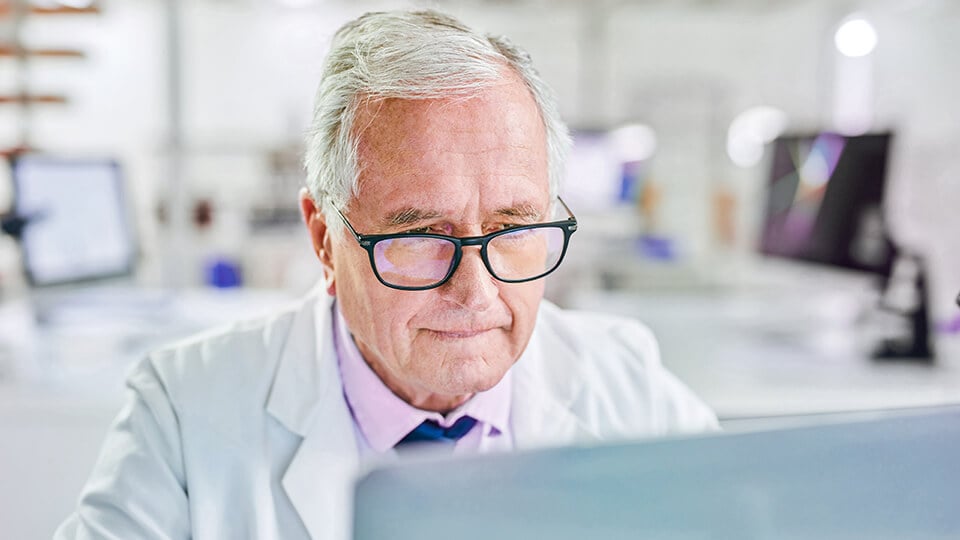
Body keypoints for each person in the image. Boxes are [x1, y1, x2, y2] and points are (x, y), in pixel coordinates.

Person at [55, 9, 716, 540]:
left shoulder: (626, 387)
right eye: (422, 237)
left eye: (513, 230)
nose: (476, 292)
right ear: (324, 238)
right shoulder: (183, 413)